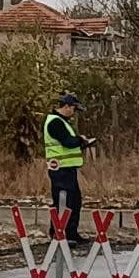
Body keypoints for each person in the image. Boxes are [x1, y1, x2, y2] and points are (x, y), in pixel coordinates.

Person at [44, 93, 96, 245]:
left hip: (68, 169)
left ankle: (71, 234)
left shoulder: (61, 122)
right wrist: (80, 140)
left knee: (74, 201)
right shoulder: (55, 122)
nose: (74, 113)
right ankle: (59, 233)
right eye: (74, 109)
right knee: (63, 202)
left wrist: (79, 141)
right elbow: (68, 142)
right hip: (60, 170)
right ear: (66, 107)